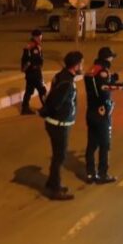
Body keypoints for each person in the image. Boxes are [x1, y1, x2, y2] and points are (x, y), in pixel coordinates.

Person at [84, 47, 123, 184]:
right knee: (105, 144)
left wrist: (113, 78)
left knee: (91, 144)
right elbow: (104, 87)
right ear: (107, 58)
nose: (112, 60)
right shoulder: (103, 71)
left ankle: (90, 174)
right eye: (111, 57)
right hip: (102, 113)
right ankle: (103, 174)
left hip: (91, 111)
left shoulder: (91, 70)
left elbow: (99, 84)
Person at [40, 51, 83, 200]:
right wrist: (54, 114)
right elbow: (56, 103)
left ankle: (52, 182)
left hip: (55, 123)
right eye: (81, 64)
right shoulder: (67, 83)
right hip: (59, 124)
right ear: (76, 65)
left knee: (57, 155)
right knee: (60, 157)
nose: (82, 66)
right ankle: (55, 190)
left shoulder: (61, 75)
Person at [20, 29, 47, 115]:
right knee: (42, 90)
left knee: (29, 90)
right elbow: (34, 60)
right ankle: (46, 108)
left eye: (40, 37)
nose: (40, 38)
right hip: (34, 73)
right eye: (39, 37)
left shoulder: (30, 46)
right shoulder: (34, 47)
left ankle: (25, 108)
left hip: (30, 73)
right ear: (34, 37)